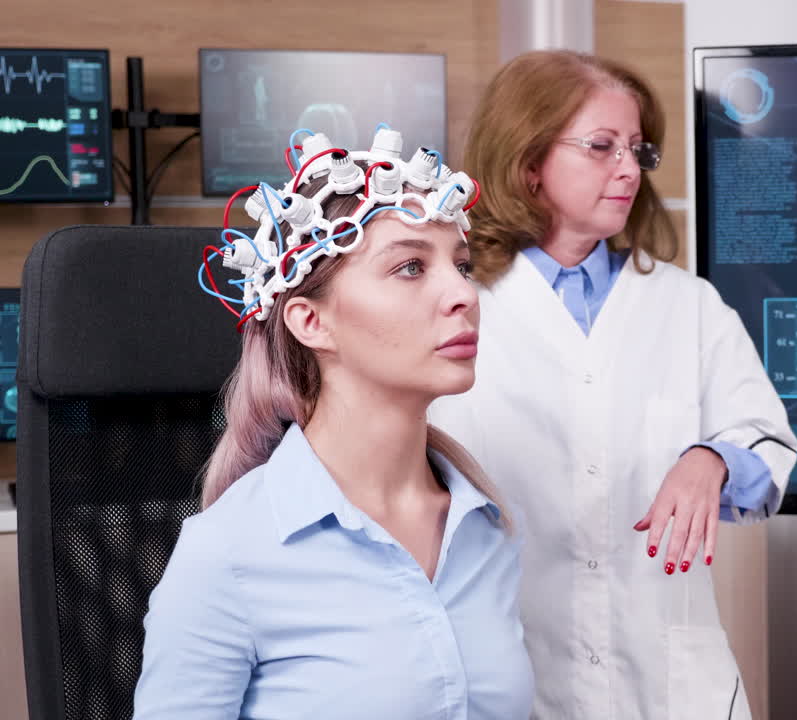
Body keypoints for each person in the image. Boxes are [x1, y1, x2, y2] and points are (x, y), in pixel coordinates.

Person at [429, 51, 797, 719]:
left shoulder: (688, 306)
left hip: (669, 683)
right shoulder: (457, 306)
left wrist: (711, 458)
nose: (629, 169)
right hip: (509, 672)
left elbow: (768, 441)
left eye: (636, 149)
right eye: (601, 147)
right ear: (528, 162)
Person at [132, 126, 534, 719]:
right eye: (410, 268)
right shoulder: (228, 555)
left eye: (462, 265)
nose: (464, 295)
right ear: (310, 322)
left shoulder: (482, 528)